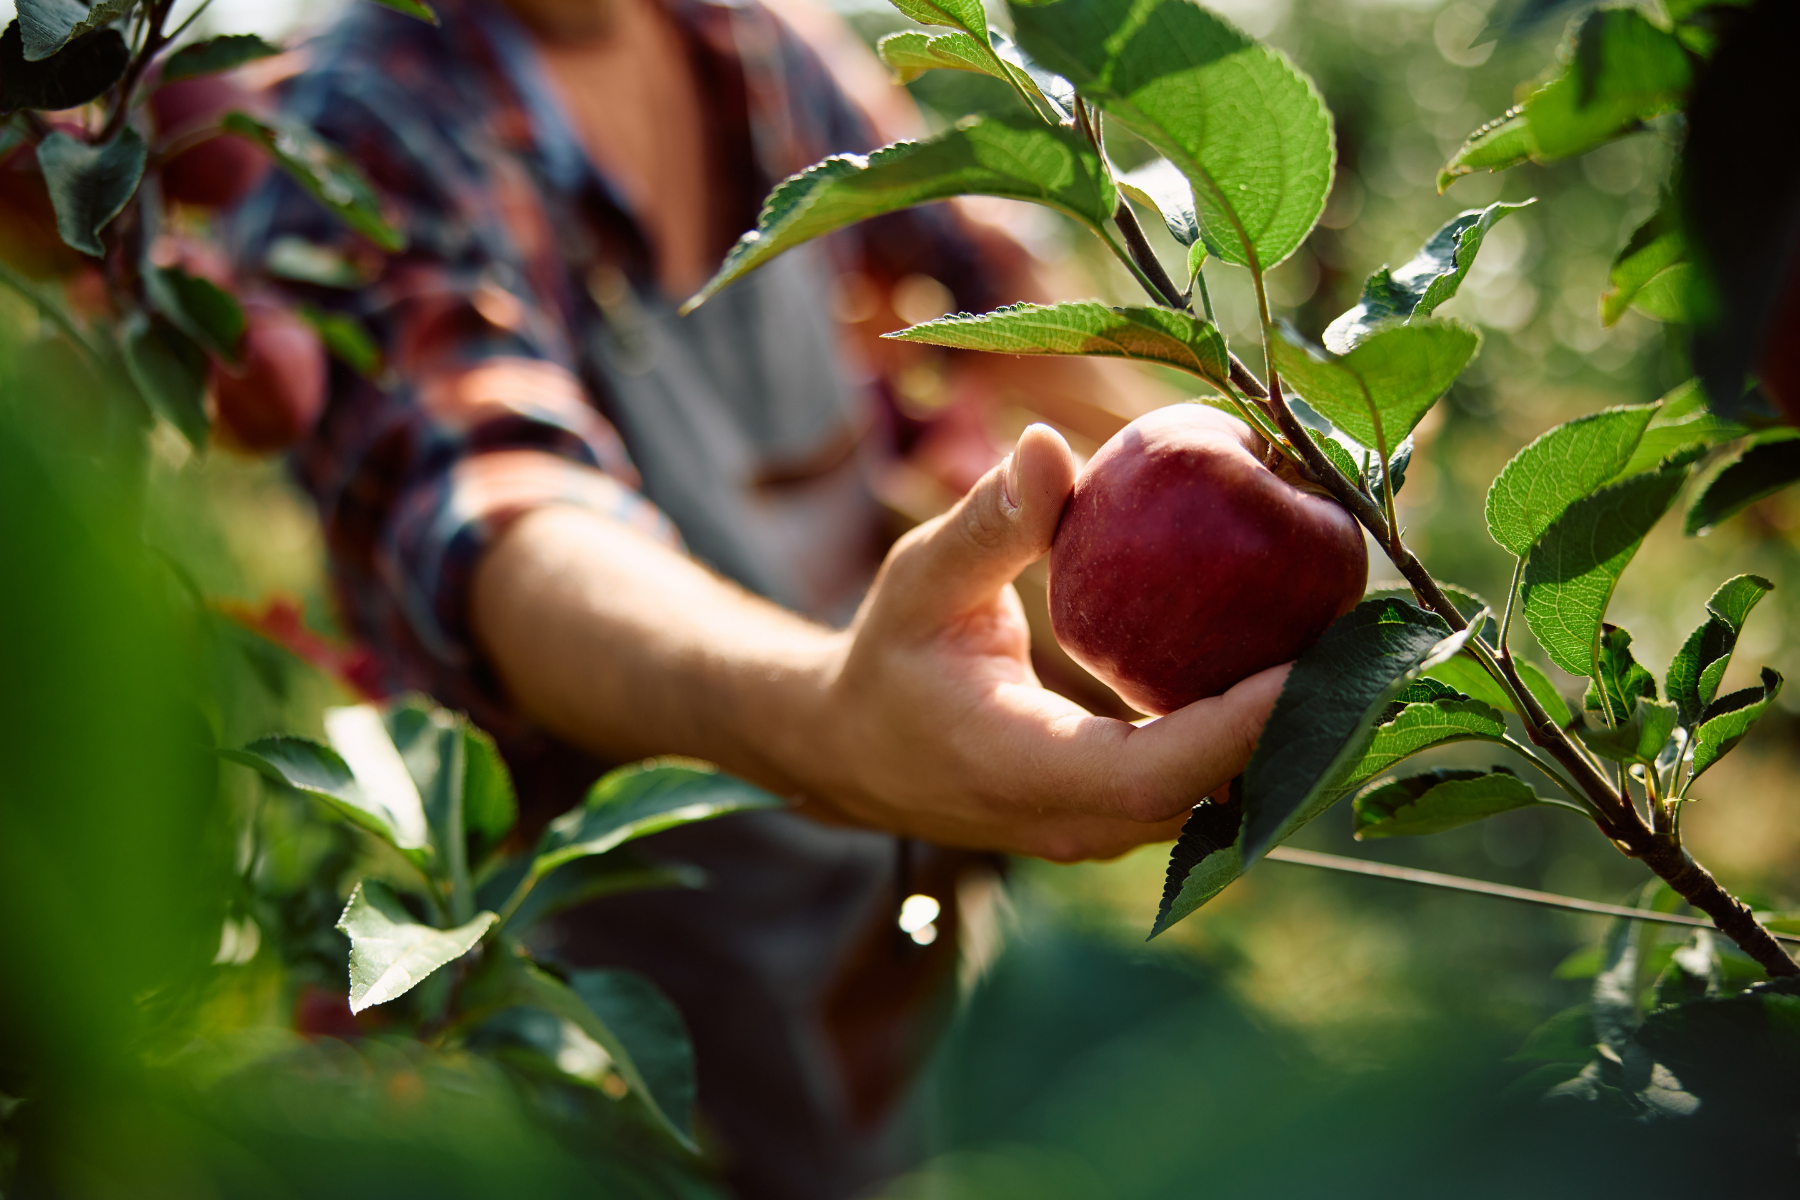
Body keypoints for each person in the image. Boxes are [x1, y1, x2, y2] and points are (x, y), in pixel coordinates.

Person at [229, 0, 1287, 1194]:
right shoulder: (369, 119)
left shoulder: (740, 38)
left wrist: (1282, 470)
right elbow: (495, 523)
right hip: (627, 996)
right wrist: (834, 719)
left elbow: (1003, 308)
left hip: (898, 890)